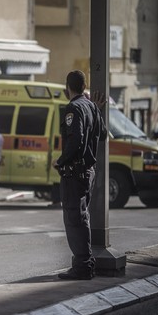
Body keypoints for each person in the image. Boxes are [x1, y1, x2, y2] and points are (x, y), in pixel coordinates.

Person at [53, 70, 107, 281]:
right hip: (88, 172)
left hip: (75, 172)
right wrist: (97, 111)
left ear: (68, 87)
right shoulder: (91, 106)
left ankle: (82, 266)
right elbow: (102, 134)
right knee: (82, 217)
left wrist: (61, 160)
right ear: (84, 86)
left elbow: (76, 140)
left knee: (74, 218)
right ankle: (86, 264)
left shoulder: (73, 108)